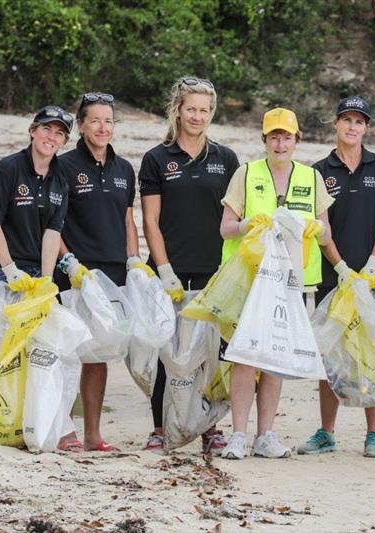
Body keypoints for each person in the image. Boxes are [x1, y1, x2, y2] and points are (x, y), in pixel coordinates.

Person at [218, 107, 334, 460]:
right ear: (264, 140)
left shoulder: (311, 177)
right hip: (250, 280)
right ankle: (238, 434)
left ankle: (265, 434)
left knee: (275, 356)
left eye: (286, 137)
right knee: (244, 355)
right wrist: (247, 224)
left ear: (297, 140)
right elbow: (225, 227)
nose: (280, 143)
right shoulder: (246, 173)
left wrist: (315, 227)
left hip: (290, 282)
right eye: (273, 137)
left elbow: (326, 231)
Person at [139, 77, 240, 454]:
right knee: (169, 352)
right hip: (170, 270)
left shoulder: (226, 159)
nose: (197, 116)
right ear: (178, 110)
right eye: (191, 109)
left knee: (211, 354)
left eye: (205, 110)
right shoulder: (157, 159)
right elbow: (150, 220)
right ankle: (160, 426)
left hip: (216, 272)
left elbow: (234, 217)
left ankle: (209, 426)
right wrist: (164, 270)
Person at [296, 96, 375, 458]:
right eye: (346, 120)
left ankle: (373, 433)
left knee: (372, 355)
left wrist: (373, 263)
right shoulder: (317, 171)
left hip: (371, 278)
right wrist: (339, 266)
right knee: (332, 355)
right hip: (331, 276)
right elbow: (319, 226)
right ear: (335, 124)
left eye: (359, 121)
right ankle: (327, 432)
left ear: (366, 128)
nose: (352, 126)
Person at [53, 92, 150, 452]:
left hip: (114, 275)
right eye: (95, 120)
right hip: (75, 273)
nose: (102, 127)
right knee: (69, 352)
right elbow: (54, 220)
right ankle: (64, 431)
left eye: (108, 121)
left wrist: (135, 260)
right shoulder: (63, 166)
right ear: (80, 125)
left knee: (99, 354)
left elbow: (128, 219)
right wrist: (68, 261)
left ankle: (93, 435)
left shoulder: (124, 169)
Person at [0, 105, 72, 304]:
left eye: (59, 133)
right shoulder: (7, 169)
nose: (51, 137)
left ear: (64, 141)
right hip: (1, 269)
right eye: (46, 129)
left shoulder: (61, 180)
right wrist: (10, 270)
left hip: (38, 271)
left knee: (40, 333)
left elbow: (53, 232)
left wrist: (46, 280)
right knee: (13, 332)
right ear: (33, 131)